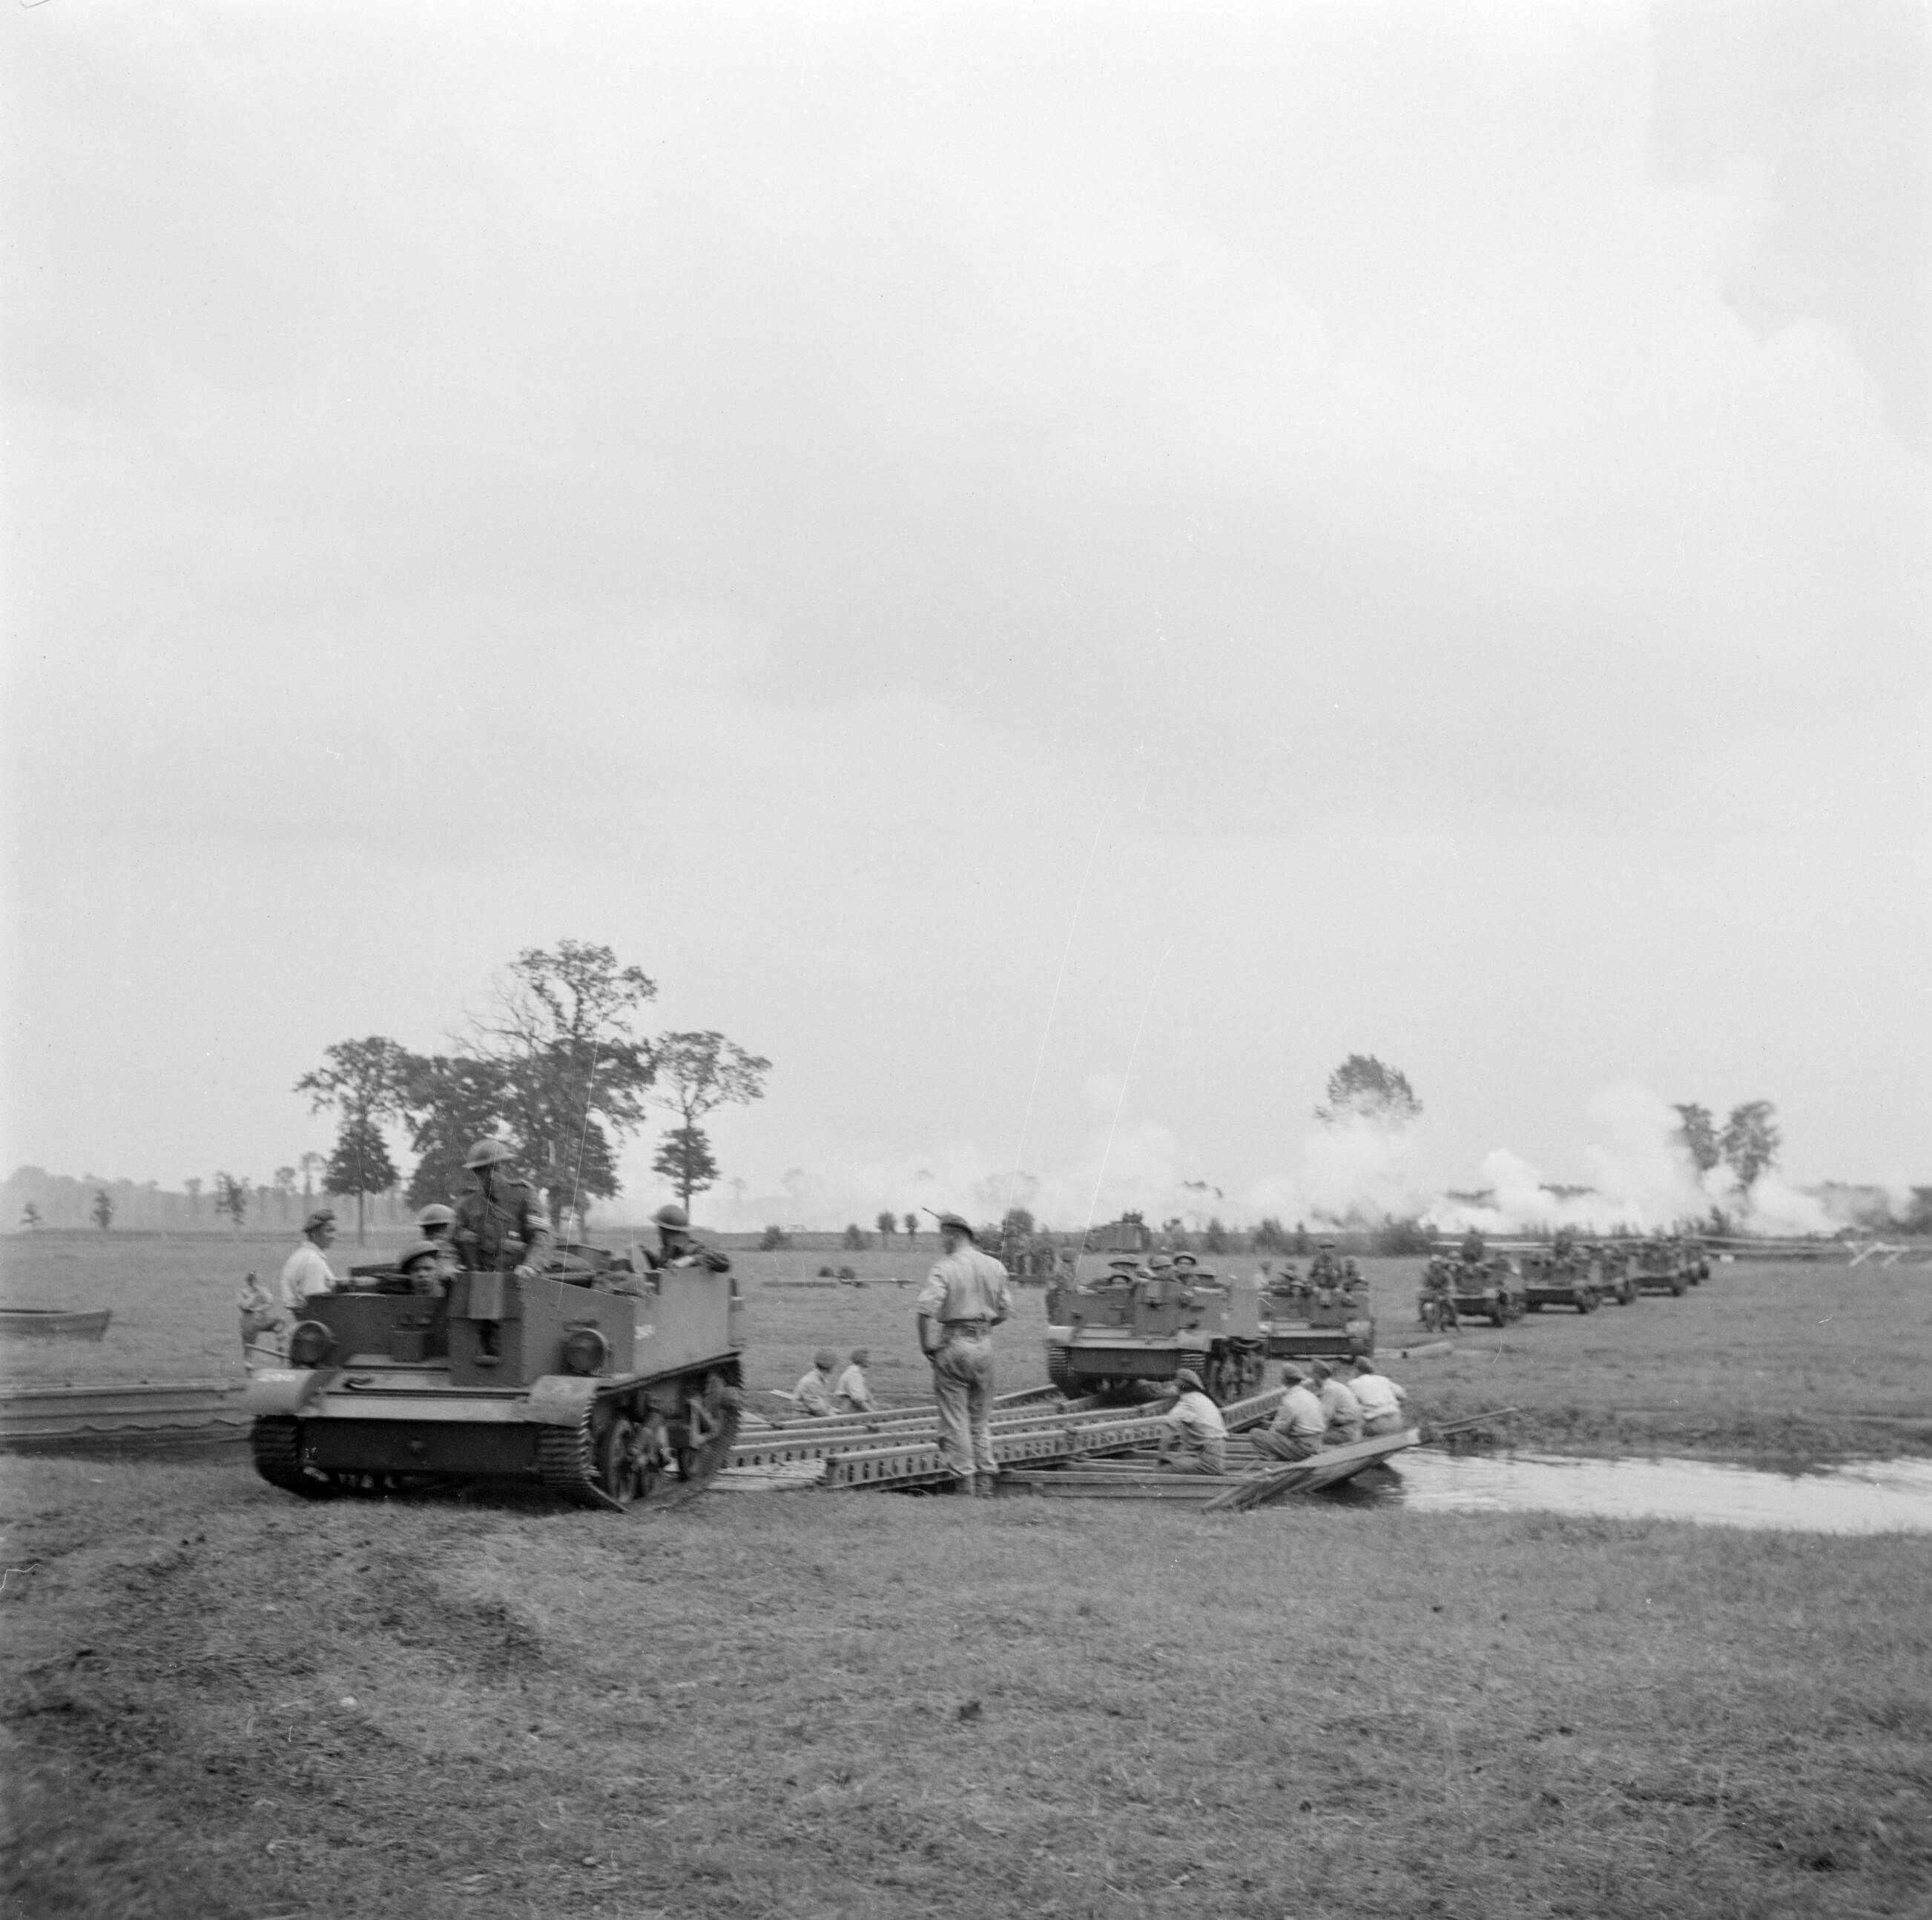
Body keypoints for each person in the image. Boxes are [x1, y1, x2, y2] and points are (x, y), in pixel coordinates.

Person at [915, 1210, 1014, 1496]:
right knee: (980, 1420)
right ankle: (985, 1484)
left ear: (952, 1235)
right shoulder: (995, 1266)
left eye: (942, 1237)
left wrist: (927, 1345)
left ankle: (965, 1487)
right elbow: (1005, 1311)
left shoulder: (945, 1267)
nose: (941, 1242)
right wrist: (982, 1328)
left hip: (954, 1344)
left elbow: (924, 1311)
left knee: (955, 1419)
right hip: (984, 1347)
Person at [1163, 1367, 1229, 1474]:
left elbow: (1167, 1433)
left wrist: (1161, 1457)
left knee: (1163, 1469)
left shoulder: (1186, 1403)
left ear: (1178, 1386)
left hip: (1207, 1459)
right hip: (1215, 1454)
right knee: (1178, 1459)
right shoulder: (1203, 1399)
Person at [1255, 1366, 1326, 1462]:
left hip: (1303, 1450)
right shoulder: (1311, 1396)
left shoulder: (1289, 1400)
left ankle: (1272, 1459)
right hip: (1317, 1445)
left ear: (1284, 1380)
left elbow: (1280, 1430)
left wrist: (1268, 1429)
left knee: (1256, 1434)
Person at [277, 1209, 340, 1316]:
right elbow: (315, 1303)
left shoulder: (302, 1255)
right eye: (328, 1231)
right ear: (314, 1233)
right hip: (314, 1321)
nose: (333, 1236)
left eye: (334, 1231)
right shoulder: (313, 1261)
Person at [642, 1203, 732, 1274]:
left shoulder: (695, 1249)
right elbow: (663, 1269)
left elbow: (725, 1262)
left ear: (667, 1232)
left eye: (660, 1229)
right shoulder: (668, 1250)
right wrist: (648, 1255)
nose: (658, 1233)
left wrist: (690, 1259)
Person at [236, 1270, 291, 1371]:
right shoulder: (243, 1292)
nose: (257, 1282)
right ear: (250, 1281)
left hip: (262, 1319)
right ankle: (249, 1364)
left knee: (280, 1322)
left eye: (257, 1280)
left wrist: (260, 1304)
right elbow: (245, 1306)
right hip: (249, 1321)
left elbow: (270, 1302)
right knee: (249, 1344)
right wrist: (253, 1296)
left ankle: (281, 1346)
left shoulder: (262, 1290)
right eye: (255, 1280)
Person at [1350, 1356, 1409, 1436]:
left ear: (1357, 1370)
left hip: (1376, 1424)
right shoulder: (1383, 1379)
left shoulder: (1353, 1383)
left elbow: (1349, 1407)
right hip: (1397, 1421)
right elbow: (1403, 1395)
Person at [1310, 1360, 1364, 1446]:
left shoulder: (1330, 1390)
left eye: (1312, 1374)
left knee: (1310, 1439)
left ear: (1317, 1375)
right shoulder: (1335, 1386)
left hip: (1345, 1433)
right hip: (1352, 1429)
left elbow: (1324, 1418)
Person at [791, 1348, 840, 1416]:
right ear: (830, 1366)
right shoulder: (811, 1382)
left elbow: (825, 1406)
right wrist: (838, 1419)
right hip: (805, 1418)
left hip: (814, 1416)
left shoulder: (821, 1380)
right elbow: (819, 1409)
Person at [834, 1348, 874, 1413]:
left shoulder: (855, 1371)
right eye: (868, 1358)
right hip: (851, 1410)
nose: (871, 1361)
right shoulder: (855, 1373)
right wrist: (873, 1413)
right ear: (862, 1360)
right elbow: (859, 1399)